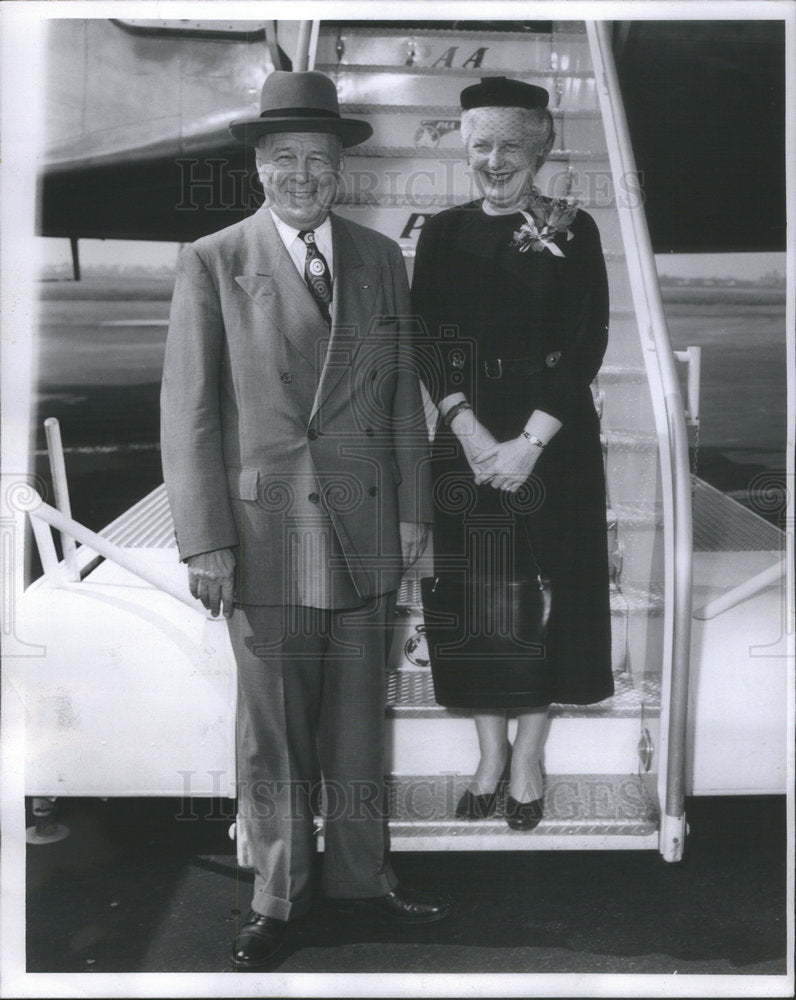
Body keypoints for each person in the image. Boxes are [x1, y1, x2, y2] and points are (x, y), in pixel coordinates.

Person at [161, 69, 450, 972]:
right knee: (276, 735)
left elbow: (401, 397)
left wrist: (413, 516)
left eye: (318, 159)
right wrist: (206, 540)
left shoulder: (378, 257)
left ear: (341, 169)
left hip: (367, 529)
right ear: (258, 166)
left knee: (359, 728)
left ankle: (362, 880)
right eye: (283, 157)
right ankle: (278, 897)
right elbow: (189, 414)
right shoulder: (212, 260)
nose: (301, 174)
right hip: (263, 536)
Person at [412, 76, 614, 831]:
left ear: (539, 149)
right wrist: (466, 429)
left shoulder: (573, 228)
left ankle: (529, 756)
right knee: (482, 598)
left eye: (509, 146)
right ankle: (490, 752)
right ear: (465, 149)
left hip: (552, 436)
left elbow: (587, 341)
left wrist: (529, 443)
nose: (494, 160)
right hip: (466, 430)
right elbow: (428, 338)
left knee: (545, 593)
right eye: (481, 146)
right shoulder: (442, 231)